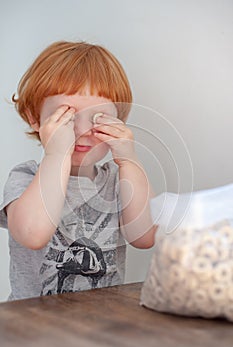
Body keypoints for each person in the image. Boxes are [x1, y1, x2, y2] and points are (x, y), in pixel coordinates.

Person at [0, 41, 156, 300]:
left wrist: (130, 162)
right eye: (67, 116)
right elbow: (32, 235)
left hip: (100, 324)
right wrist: (56, 154)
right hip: (32, 327)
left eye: (99, 119)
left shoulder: (119, 180)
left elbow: (144, 237)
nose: (82, 131)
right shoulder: (24, 178)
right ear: (34, 118)